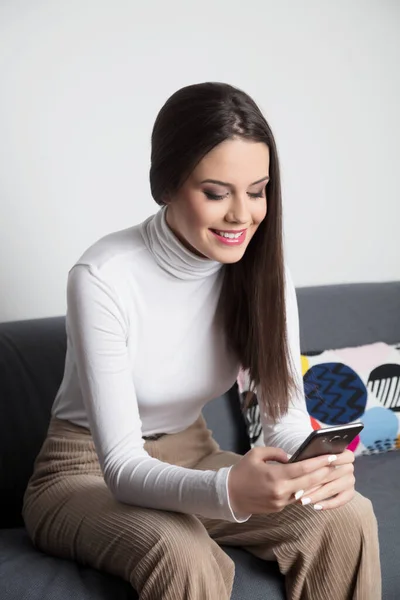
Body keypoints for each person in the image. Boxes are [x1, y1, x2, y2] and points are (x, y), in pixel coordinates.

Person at [22, 82, 381, 600]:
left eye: (257, 190)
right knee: (179, 547)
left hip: (193, 454)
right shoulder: (102, 276)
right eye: (216, 193)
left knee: (347, 515)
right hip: (85, 473)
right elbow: (121, 467)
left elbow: (283, 420)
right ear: (167, 184)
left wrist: (313, 469)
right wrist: (230, 489)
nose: (242, 215)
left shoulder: (263, 275)